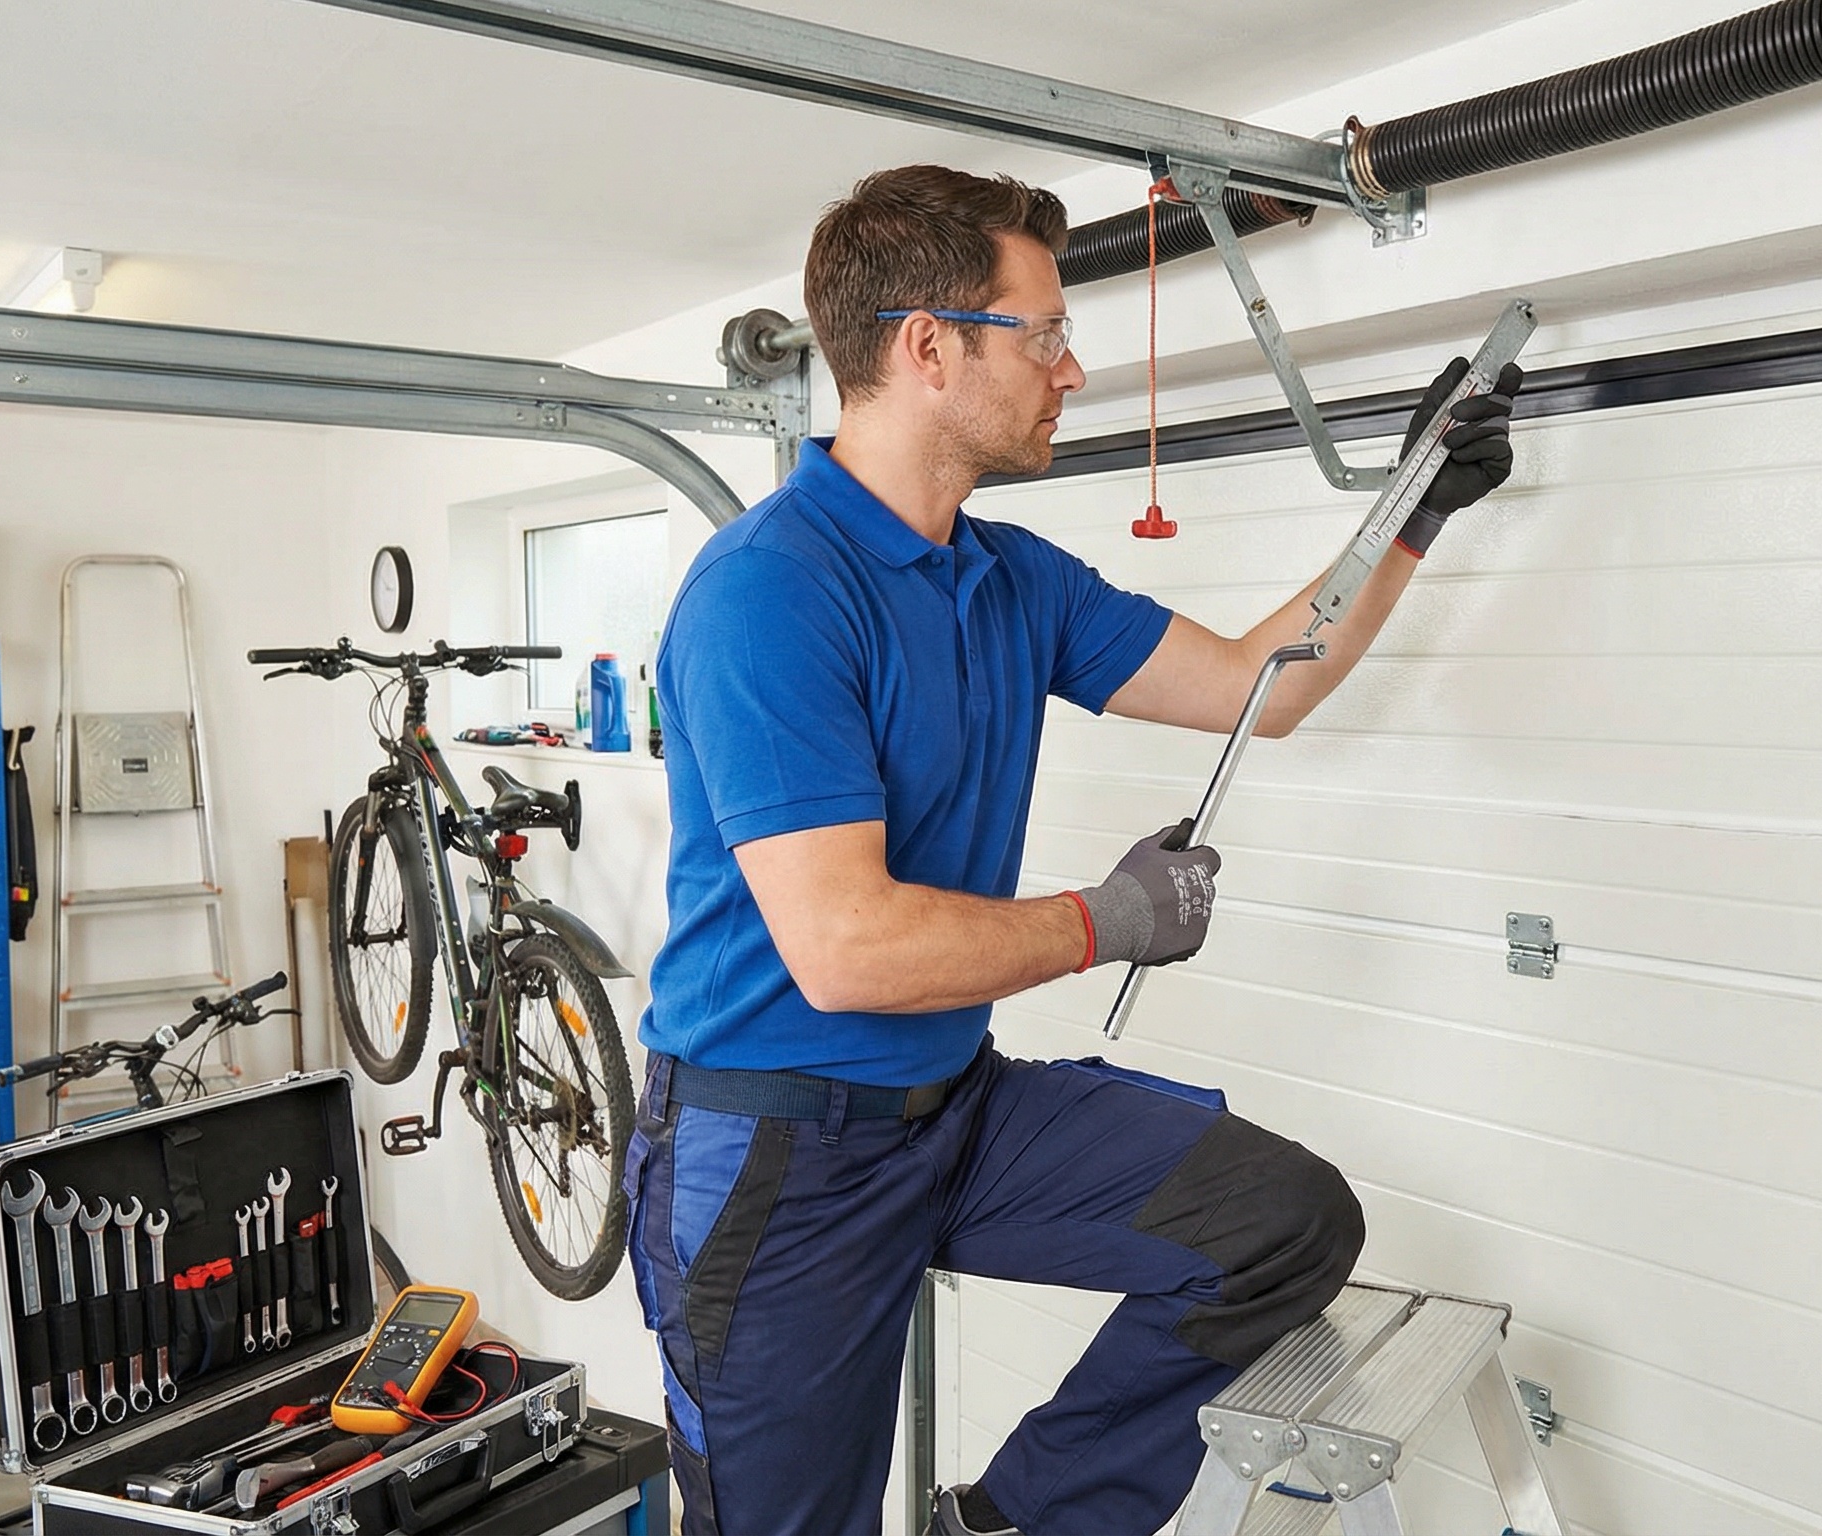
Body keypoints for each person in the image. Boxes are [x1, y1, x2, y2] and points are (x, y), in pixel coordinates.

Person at [628, 164, 1521, 1536]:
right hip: (773, 1158)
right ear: (930, 347)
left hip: (954, 1113)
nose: (1073, 369)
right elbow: (847, 949)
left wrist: (1413, 507)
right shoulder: (773, 592)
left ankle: (1000, 1528)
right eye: (1042, 332)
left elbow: (1259, 686)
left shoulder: (1011, 581)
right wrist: (1112, 917)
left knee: (1280, 1223)